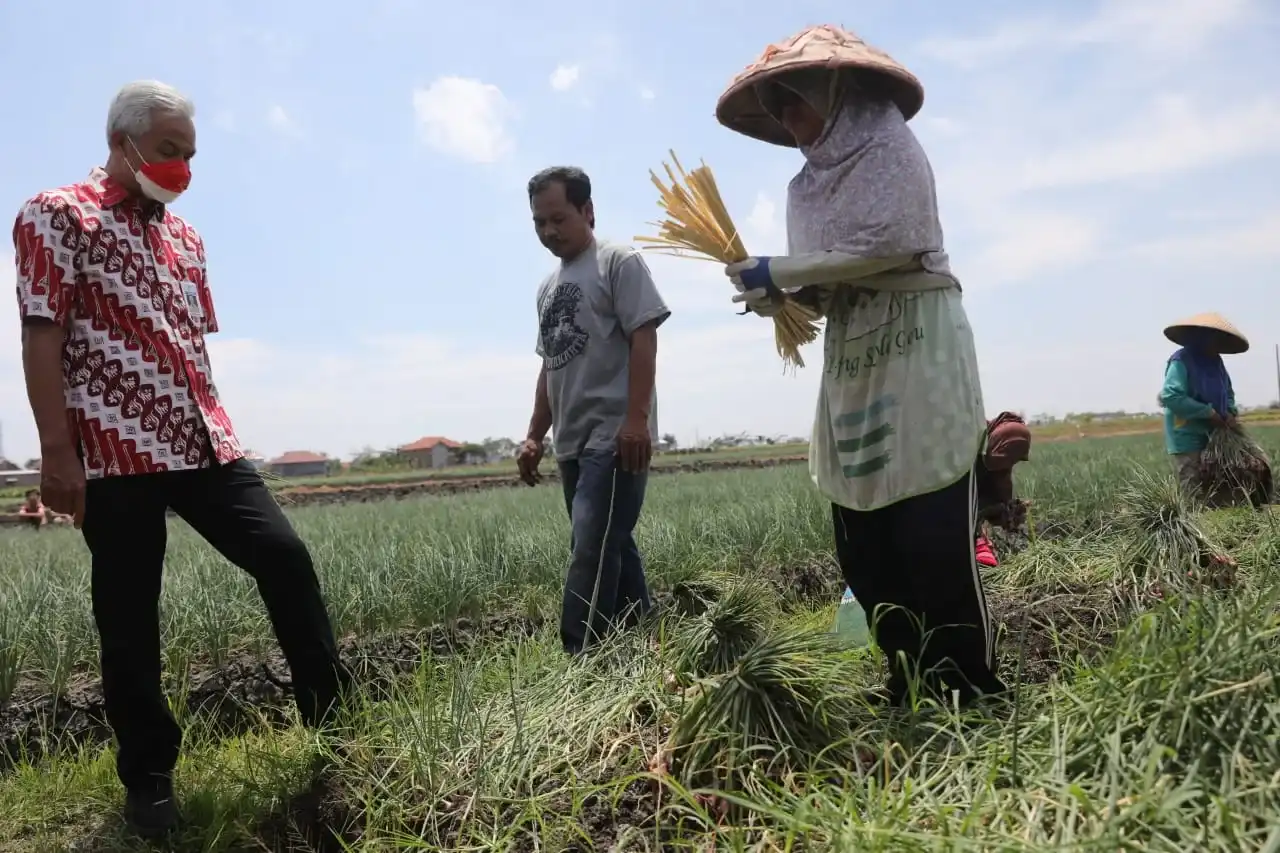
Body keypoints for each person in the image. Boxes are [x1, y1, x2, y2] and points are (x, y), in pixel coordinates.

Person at [11, 80, 351, 838]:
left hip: (204, 442)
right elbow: (43, 333)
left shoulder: (186, 238)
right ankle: (151, 782)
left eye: (190, 154)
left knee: (285, 557)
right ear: (122, 141)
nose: (182, 166)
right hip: (114, 447)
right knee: (129, 617)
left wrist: (217, 425)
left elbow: (190, 346)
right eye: (169, 150)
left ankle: (335, 724)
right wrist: (57, 452)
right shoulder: (58, 214)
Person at [713, 25, 1007, 708]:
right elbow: (821, 293)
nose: (789, 119)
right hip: (853, 361)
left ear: (834, 91)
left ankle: (968, 685)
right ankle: (905, 677)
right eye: (778, 108)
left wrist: (783, 269)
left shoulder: (891, 149)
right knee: (865, 542)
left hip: (920, 347)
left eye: (794, 101)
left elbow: (895, 244)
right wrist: (776, 297)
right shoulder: (803, 190)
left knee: (931, 530)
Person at [516, 166, 671, 655]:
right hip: (573, 442)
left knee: (590, 547)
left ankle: (579, 659)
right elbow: (550, 367)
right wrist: (535, 435)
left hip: (614, 435)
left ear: (588, 211)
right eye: (539, 223)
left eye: (558, 219)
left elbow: (644, 336)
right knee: (612, 544)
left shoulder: (617, 262)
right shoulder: (547, 287)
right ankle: (646, 646)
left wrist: (636, 420)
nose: (549, 232)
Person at [1158, 312, 1247, 494]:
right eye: (1214, 339)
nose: (1218, 345)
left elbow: (1227, 392)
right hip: (1187, 433)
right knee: (1193, 486)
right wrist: (1208, 413)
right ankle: (1192, 520)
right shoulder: (1181, 360)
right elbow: (1172, 396)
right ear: (1201, 337)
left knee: (1217, 485)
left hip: (1215, 434)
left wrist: (1230, 411)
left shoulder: (1216, 362)